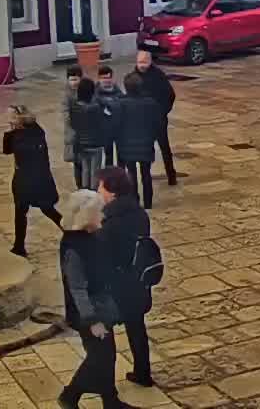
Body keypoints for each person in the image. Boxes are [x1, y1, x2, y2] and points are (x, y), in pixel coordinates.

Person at [57, 190, 124, 409]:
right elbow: (77, 289)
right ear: (86, 217)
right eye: (98, 213)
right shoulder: (74, 249)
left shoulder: (91, 236)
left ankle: (110, 401)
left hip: (102, 306)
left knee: (108, 356)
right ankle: (70, 396)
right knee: (98, 358)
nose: (102, 217)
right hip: (88, 312)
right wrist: (92, 321)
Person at [96, 166, 154, 388]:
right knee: (137, 327)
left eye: (100, 186)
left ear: (111, 191)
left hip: (117, 285)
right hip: (137, 280)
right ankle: (143, 372)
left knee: (102, 334)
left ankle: (103, 381)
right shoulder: (139, 213)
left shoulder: (110, 223)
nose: (98, 190)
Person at [3, 104, 61, 257]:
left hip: (35, 178)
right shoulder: (16, 132)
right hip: (22, 178)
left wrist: (14, 135)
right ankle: (19, 246)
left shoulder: (34, 132)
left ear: (20, 117)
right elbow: (7, 150)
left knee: (47, 209)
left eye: (12, 116)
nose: (10, 119)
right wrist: (8, 133)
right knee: (20, 212)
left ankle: (69, 231)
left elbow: (27, 153)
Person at [113, 73, 163, 204]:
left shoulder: (121, 104)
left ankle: (134, 200)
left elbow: (116, 124)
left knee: (131, 174)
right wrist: (151, 138)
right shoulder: (151, 103)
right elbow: (157, 124)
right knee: (146, 174)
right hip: (146, 145)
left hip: (127, 146)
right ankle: (148, 202)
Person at [132, 50, 180, 186]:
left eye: (144, 62)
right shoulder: (133, 77)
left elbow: (170, 95)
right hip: (142, 121)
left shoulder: (158, 76)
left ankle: (171, 175)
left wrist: (163, 111)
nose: (141, 65)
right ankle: (145, 176)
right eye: (139, 62)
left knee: (165, 147)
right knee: (144, 148)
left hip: (158, 119)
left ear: (150, 61)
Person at [70, 79, 109, 190]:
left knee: (85, 169)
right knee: (95, 171)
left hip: (81, 143)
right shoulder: (95, 107)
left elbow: (73, 123)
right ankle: (93, 192)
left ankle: (84, 190)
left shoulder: (74, 105)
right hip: (95, 143)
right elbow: (102, 120)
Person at [95, 65, 121, 167]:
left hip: (118, 128)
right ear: (99, 78)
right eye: (104, 78)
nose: (106, 80)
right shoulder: (95, 93)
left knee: (121, 155)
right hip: (105, 130)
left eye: (108, 77)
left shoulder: (117, 91)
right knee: (108, 155)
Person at [61, 66, 83, 175]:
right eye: (71, 79)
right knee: (77, 163)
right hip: (73, 134)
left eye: (76, 79)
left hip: (86, 134)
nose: (74, 82)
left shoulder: (86, 90)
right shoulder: (66, 95)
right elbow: (66, 114)